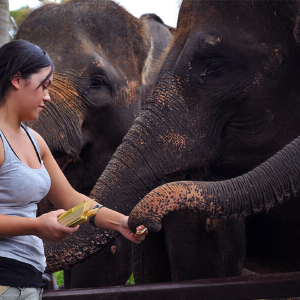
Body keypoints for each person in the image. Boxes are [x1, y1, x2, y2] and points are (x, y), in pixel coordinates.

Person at [0, 39, 147, 300]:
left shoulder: (34, 140)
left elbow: (71, 200)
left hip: (27, 277)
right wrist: (35, 226)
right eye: (43, 86)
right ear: (16, 80)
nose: (48, 96)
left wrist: (121, 222)